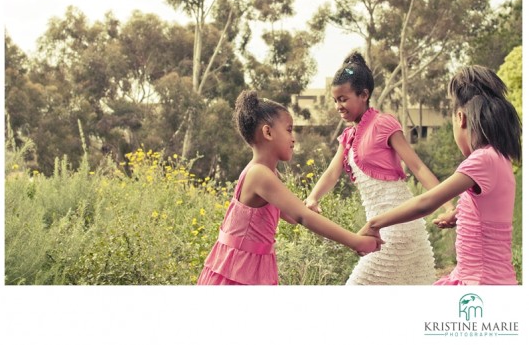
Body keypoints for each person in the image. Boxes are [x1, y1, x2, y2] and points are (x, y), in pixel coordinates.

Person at [197, 90, 383, 285]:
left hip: (251, 268)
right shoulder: (259, 174)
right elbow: (303, 217)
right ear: (268, 132)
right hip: (235, 272)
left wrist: (306, 208)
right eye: (289, 130)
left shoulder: (269, 174)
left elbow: (294, 216)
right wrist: (356, 241)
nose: (293, 139)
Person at [360, 65, 522, 285]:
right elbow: (489, 213)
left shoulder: (481, 160)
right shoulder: (500, 158)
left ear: (460, 117)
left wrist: (375, 223)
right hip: (493, 280)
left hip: (478, 284)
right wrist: (458, 215)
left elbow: (425, 202)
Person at [305, 51, 452, 285]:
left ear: (364, 94)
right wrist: (313, 198)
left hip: (399, 229)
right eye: (335, 100)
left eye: (343, 99)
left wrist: (449, 205)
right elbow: (332, 173)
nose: (338, 106)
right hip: (380, 230)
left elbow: (418, 167)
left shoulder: (383, 123)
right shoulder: (348, 137)